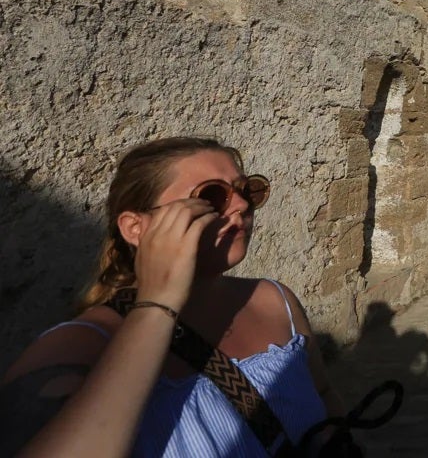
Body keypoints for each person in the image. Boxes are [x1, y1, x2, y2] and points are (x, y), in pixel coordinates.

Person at [0, 136, 341, 456]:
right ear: (136, 228)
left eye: (247, 190)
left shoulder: (274, 300)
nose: (241, 205)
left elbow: (324, 398)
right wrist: (157, 304)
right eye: (211, 196)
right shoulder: (79, 344)